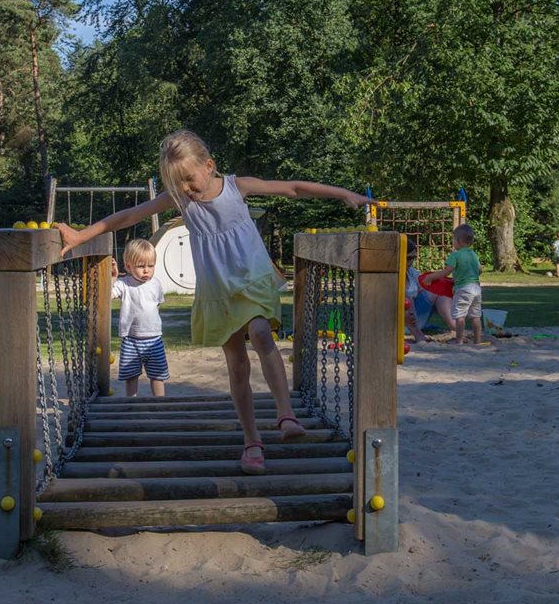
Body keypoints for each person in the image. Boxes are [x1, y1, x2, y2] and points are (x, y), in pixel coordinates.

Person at [58, 130, 370, 475]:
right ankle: (252, 442)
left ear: (209, 165)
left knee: (262, 333)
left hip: (251, 279)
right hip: (217, 291)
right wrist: (80, 235)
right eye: (179, 184)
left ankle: (286, 415)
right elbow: (128, 216)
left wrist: (344, 194)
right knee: (237, 365)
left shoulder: (238, 187)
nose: (186, 189)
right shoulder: (182, 202)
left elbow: (293, 187)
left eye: (189, 180)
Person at [112, 238, 170, 397]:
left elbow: (157, 305)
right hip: (131, 340)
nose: (147, 270)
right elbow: (108, 295)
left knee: (158, 376)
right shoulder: (124, 284)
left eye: (151, 266)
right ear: (128, 266)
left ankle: (160, 403)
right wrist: (113, 278)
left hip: (154, 339)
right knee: (130, 376)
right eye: (141, 266)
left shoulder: (156, 284)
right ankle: (132, 404)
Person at [423, 224, 484, 345]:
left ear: (459, 241)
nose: (453, 242)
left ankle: (459, 340)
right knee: (475, 316)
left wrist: (430, 277)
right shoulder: (473, 255)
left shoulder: (455, 255)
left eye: (453, 239)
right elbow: (480, 270)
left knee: (460, 316)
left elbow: (446, 271)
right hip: (476, 288)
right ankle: (478, 340)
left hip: (463, 289)